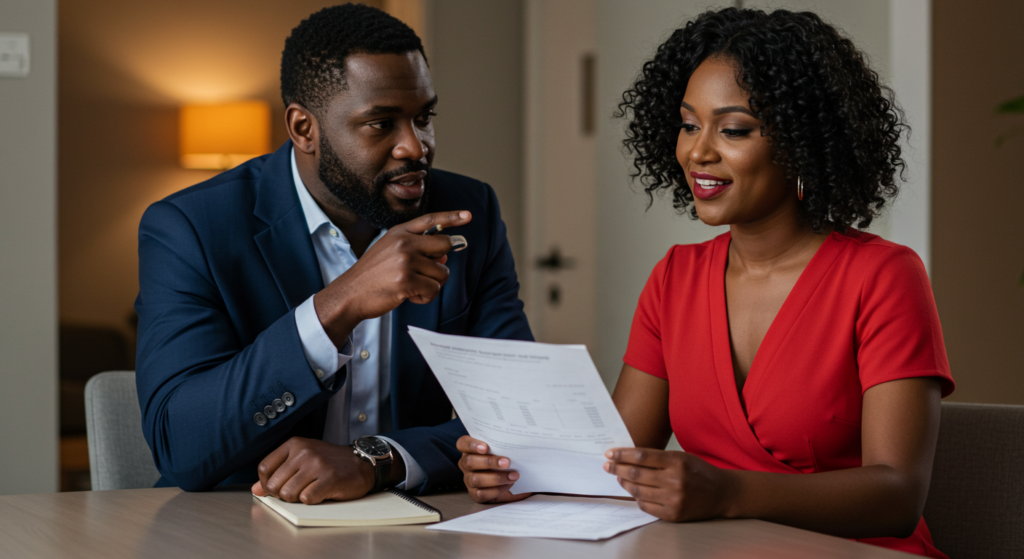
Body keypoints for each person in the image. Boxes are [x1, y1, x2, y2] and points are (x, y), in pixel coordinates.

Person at [456, 8, 952, 557]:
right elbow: (617, 463)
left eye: (733, 129)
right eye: (690, 124)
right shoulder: (676, 277)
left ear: (803, 141)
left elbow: (899, 496)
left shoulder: (882, 275)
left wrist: (729, 491)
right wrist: (514, 473)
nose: (698, 152)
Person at [135, 4, 531, 504]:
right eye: (381, 124)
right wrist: (338, 304)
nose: (416, 146)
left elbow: (519, 419)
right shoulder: (191, 228)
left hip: (424, 526)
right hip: (237, 523)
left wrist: (379, 460)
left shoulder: (470, 212)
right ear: (304, 129)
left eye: (424, 117)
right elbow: (181, 445)